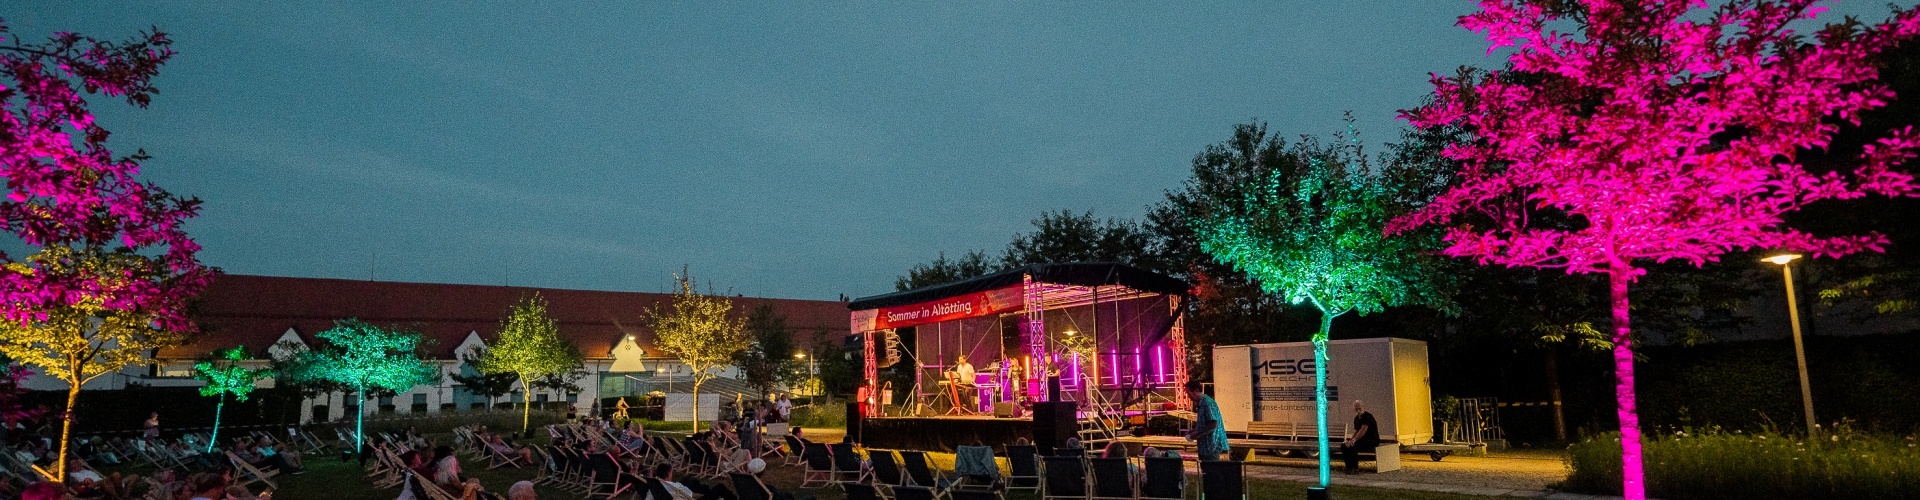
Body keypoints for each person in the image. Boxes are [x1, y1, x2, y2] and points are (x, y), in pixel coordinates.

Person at [1183, 380, 1228, 461]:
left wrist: (1197, 433)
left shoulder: (1207, 403)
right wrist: (1194, 431)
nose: (1188, 396)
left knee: (1211, 470)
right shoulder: (1201, 403)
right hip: (1205, 446)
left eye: (1189, 393)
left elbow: (1213, 424)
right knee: (1206, 471)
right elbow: (1206, 423)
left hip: (1211, 445)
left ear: (1196, 391)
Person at [1341, 399, 1381, 474]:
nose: (1358, 411)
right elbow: (1356, 431)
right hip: (1362, 440)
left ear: (1363, 407)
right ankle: (1349, 466)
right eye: (1356, 409)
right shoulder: (1356, 418)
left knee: (1353, 446)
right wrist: (1350, 440)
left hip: (1371, 440)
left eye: (1359, 408)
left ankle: (1355, 468)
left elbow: (1363, 430)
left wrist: (1354, 440)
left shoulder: (1368, 416)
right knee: (1344, 446)